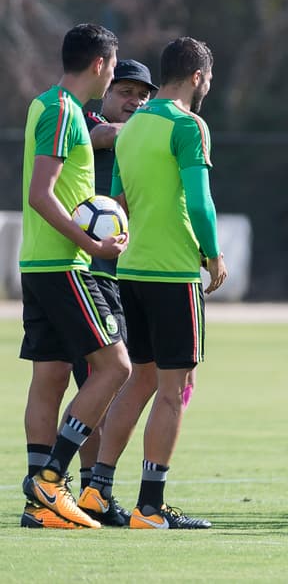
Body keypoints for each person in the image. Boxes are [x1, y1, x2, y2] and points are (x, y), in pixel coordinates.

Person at [18, 24, 131, 530]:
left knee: (50, 375)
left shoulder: (47, 105)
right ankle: (50, 480)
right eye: (113, 68)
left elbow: (94, 136)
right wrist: (91, 244)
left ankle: (38, 509)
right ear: (101, 65)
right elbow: (41, 194)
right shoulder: (64, 113)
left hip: (39, 263)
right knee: (115, 367)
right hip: (66, 264)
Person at [112, 36, 228, 529]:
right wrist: (214, 255)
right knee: (174, 387)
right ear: (198, 76)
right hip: (174, 271)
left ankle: (97, 488)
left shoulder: (132, 125)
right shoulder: (188, 125)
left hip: (132, 269)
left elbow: (118, 200)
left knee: (140, 379)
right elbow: (200, 202)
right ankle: (151, 505)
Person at [73, 59, 157, 527]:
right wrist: (153, 124)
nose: (134, 102)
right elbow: (103, 137)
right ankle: (73, 485)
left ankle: (92, 491)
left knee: (112, 383)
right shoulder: (86, 121)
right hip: (85, 272)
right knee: (94, 381)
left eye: (142, 96)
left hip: (124, 276)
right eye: (125, 91)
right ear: (105, 91)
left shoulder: (139, 135)